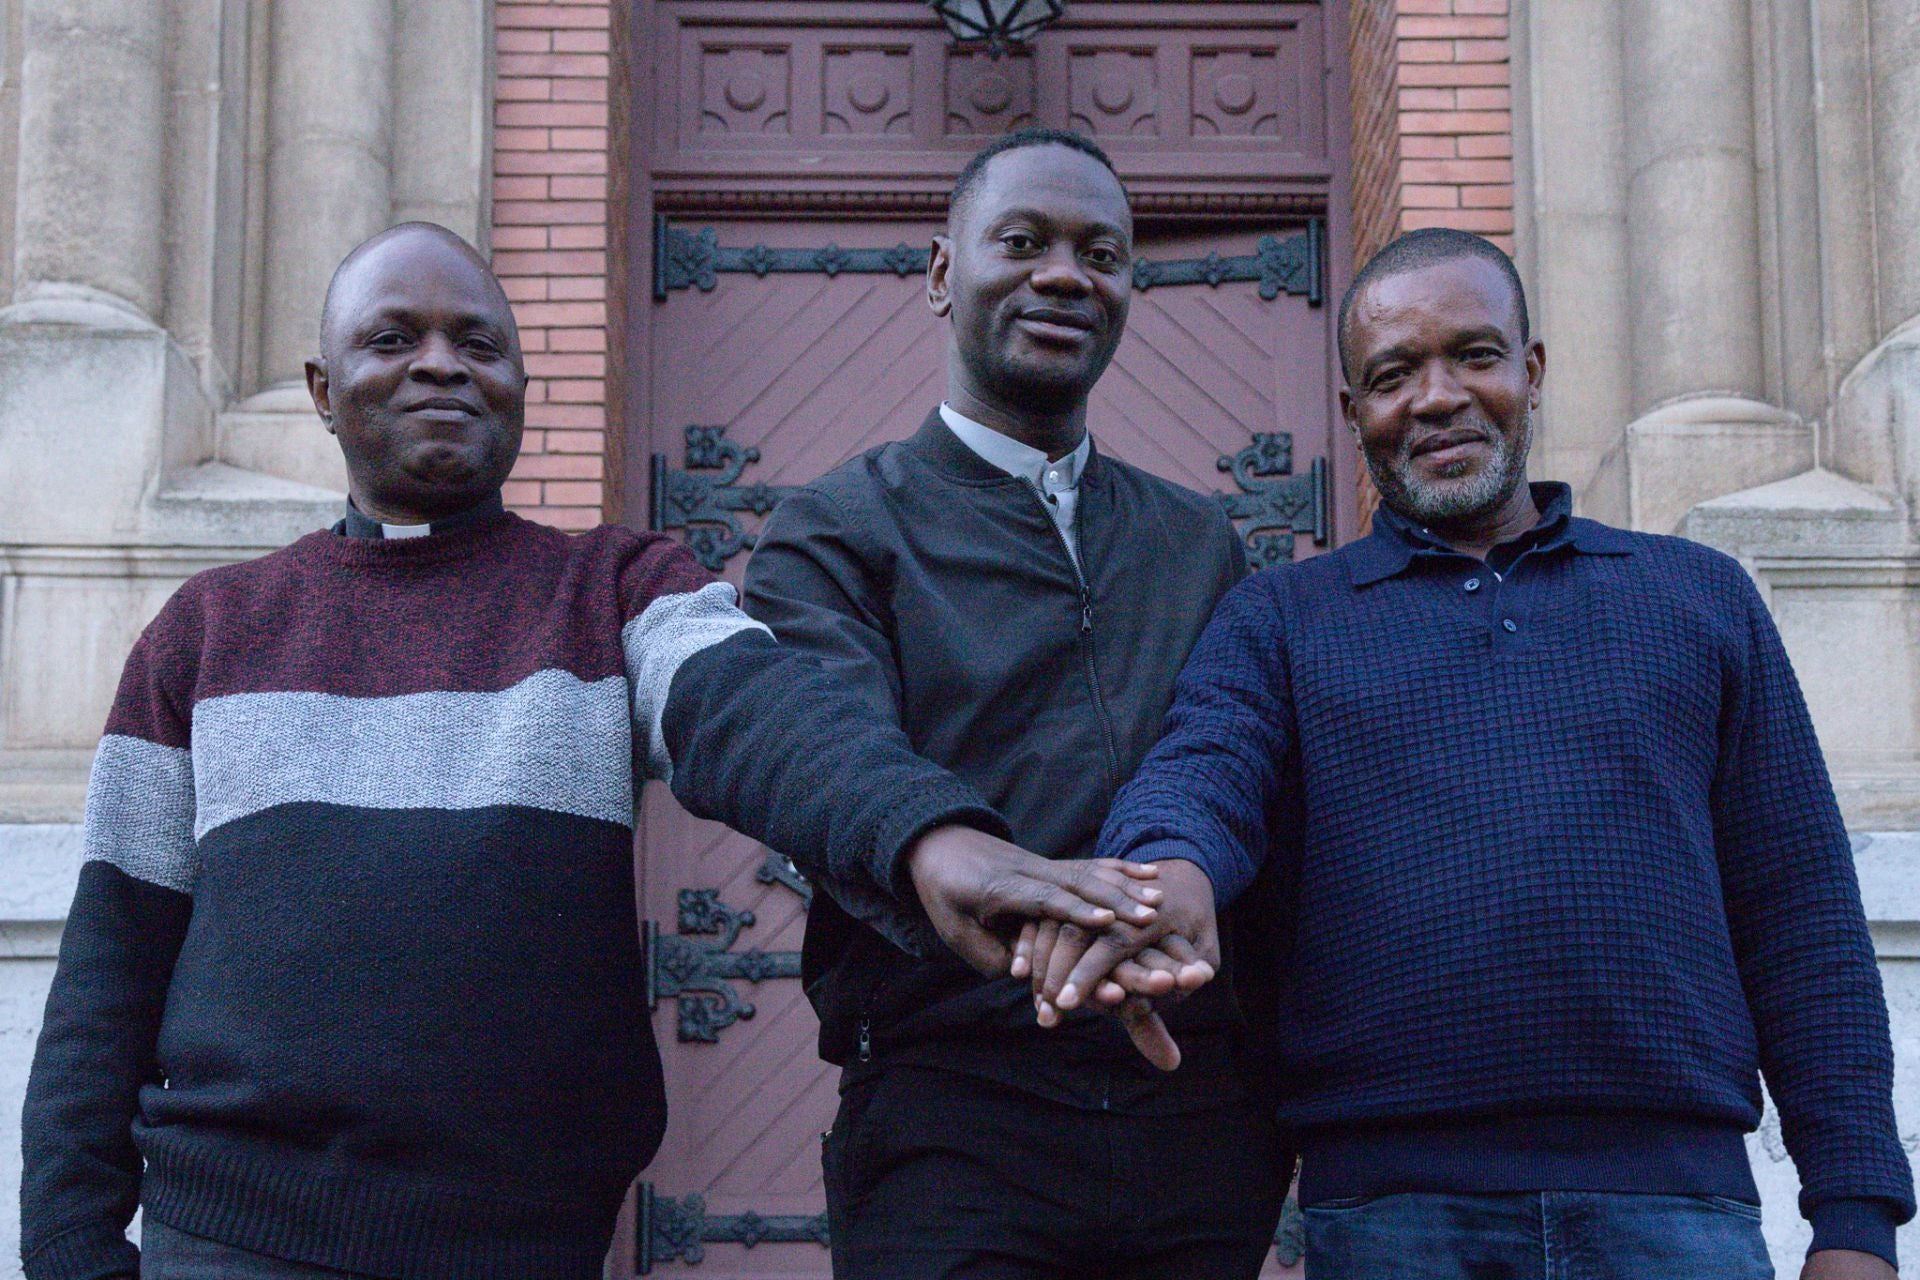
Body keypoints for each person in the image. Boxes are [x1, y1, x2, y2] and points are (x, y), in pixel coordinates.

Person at [17, 223, 1164, 1280]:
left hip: (526, 1244)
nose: (440, 364)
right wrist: (72, 1250)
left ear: (521, 384)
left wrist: (926, 836)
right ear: (321, 391)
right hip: (230, 1242)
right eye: (391, 338)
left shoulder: (613, 591)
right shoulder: (209, 632)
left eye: (479, 342)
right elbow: (108, 974)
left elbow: (757, 709)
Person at [1040, 227, 1915, 1280]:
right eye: (1394, 375)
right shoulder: (1281, 617)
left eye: (1475, 355)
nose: (1438, 396)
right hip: (1394, 1220)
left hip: (1678, 1213)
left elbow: (1803, 912)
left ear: (1531, 370)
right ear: (1354, 409)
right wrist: (1165, 869)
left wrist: (1858, 1220)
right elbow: (1203, 767)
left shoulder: (1700, 599)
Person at [741, 128, 1290, 1280]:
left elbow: (1243, 763)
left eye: (1103, 253)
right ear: (944, 273)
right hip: (955, 1115)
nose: (1065, 275)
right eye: (1024, 241)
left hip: (1192, 1115)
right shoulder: (837, 528)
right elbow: (829, 740)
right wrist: (959, 854)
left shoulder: (1201, 540)